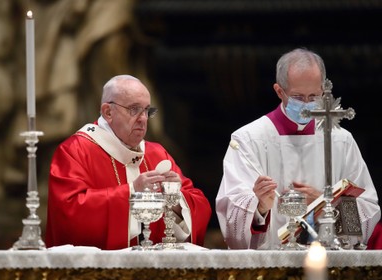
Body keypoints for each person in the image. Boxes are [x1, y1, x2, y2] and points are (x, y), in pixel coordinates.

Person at [216, 48, 381, 250]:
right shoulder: (248, 139)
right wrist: (259, 207)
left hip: (330, 262)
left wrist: (324, 205)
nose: (306, 105)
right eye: (298, 97)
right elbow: (232, 213)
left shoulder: (340, 140)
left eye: (313, 97)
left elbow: (368, 208)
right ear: (279, 91)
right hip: (270, 265)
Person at [46, 74, 211, 250]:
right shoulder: (76, 150)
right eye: (134, 109)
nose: (143, 119)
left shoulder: (157, 153)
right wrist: (132, 192)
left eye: (147, 110)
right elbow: (68, 212)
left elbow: (200, 205)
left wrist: (175, 198)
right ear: (108, 112)